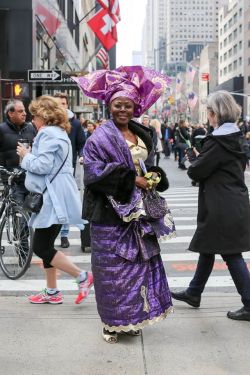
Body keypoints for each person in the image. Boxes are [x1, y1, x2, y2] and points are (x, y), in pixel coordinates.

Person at [73, 66, 174, 343]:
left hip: (140, 217)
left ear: (134, 107)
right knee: (113, 274)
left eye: (128, 105)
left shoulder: (141, 134)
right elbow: (93, 175)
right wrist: (132, 180)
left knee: (137, 272)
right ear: (109, 106)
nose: (123, 110)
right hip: (109, 216)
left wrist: (154, 177)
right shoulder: (99, 138)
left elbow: (147, 165)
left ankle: (132, 319)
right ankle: (111, 324)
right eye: (118, 105)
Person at [171, 91, 250, 321]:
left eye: (209, 112)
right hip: (231, 201)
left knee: (230, 254)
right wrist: (200, 155)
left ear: (215, 113)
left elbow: (197, 171)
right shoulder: (235, 137)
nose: (208, 116)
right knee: (207, 247)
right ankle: (194, 293)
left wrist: (193, 158)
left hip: (220, 205)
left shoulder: (217, 141)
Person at [16, 95, 93, 305]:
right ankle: (52, 291)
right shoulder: (59, 133)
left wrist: (25, 155)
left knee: (41, 247)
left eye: (35, 115)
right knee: (46, 243)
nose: (33, 119)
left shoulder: (47, 134)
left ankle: (82, 276)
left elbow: (42, 166)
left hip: (52, 197)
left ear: (44, 115)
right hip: (59, 193)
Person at [53, 92, 85, 249]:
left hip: (67, 168)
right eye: (58, 103)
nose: (61, 106)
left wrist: (82, 155)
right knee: (52, 202)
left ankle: (64, 235)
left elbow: (81, 144)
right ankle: (51, 233)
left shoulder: (76, 123)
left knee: (64, 202)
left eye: (64, 103)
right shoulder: (49, 122)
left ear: (67, 105)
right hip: (50, 168)